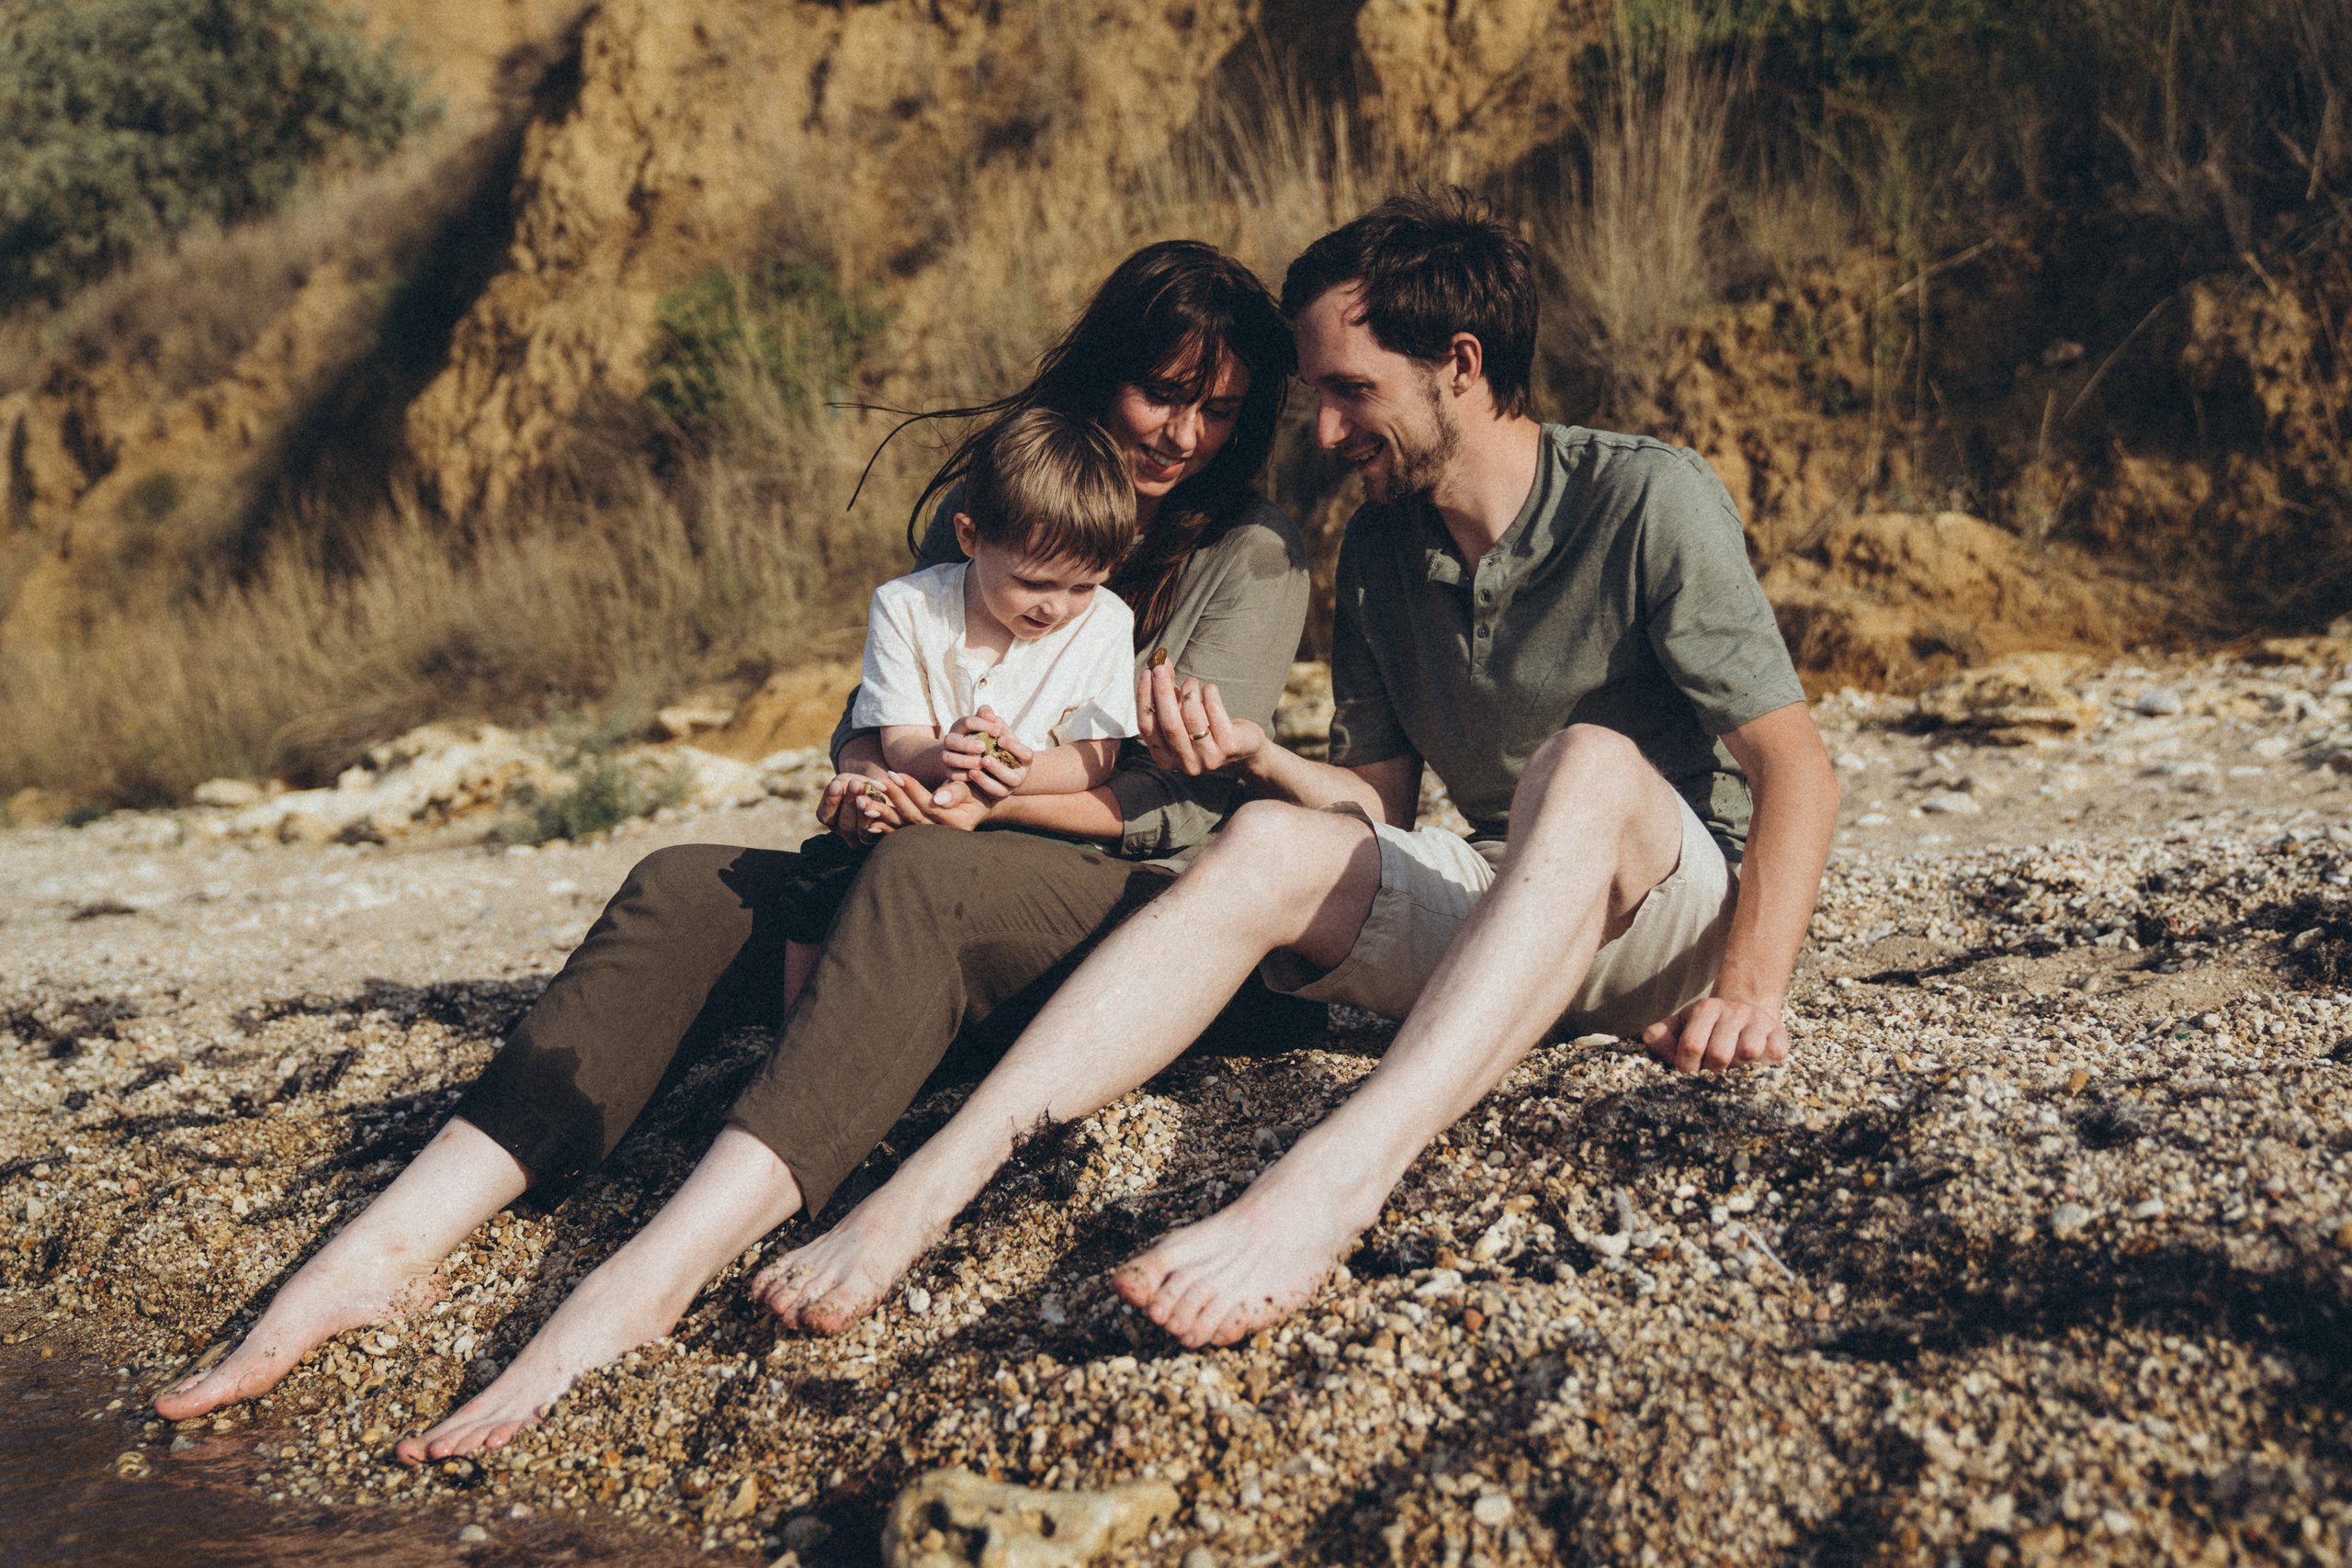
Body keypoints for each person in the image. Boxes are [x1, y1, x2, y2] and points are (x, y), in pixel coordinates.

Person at [152, 240, 1315, 1457]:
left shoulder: (1251, 552)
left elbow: (1179, 802)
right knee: (680, 884)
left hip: (1127, 910)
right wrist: (867, 787)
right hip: (921, 858)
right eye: (1163, 393)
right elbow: (873, 729)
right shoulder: (1014, 497)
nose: (1186, 431)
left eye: (1219, 409)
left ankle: (649, 1275)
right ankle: (377, 1248)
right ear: (1100, 375)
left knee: (926, 875)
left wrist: (982, 802)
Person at [750, 188, 1841, 1350]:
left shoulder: (1645, 498)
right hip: (1506, 917)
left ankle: (1331, 1182)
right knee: (1263, 841)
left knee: (1583, 762)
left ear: (1458, 365)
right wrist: (1256, 758)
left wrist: (1749, 991)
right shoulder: (1379, 545)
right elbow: (1379, 812)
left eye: (1348, 390)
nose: (1319, 431)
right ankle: (917, 1198)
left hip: (1671, 917)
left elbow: (1797, 771)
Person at [772, 407, 1141, 1012]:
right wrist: (941, 756)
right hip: (921, 797)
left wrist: (1021, 775)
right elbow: (900, 740)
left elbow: (1095, 757)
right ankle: (798, 1026)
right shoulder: (907, 607)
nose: (1058, 607)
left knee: (951, 889)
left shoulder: (1105, 622)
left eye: (1082, 585)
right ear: (970, 537)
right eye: (1034, 582)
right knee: (820, 874)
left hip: (1027, 824)